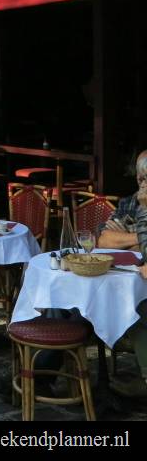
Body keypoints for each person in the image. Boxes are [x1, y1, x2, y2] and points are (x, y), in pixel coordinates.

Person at [97, 150, 147, 396]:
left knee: (138, 309)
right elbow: (104, 240)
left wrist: (126, 237)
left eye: (146, 176)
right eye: (139, 175)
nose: (142, 181)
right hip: (123, 279)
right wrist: (139, 237)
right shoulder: (129, 202)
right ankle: (46, 367)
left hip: (140, 282)